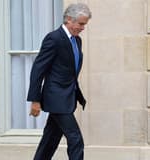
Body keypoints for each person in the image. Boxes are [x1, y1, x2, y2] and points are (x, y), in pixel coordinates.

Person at [27, 3, 92, 160]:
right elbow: (38, 69)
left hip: (67, 97)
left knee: (50, 140)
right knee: (75, 139)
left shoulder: (77, 41)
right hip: (56, 97)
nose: (83, 28)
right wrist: (35, 99)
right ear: (69, 19)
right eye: (81, 23)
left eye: (85, 24)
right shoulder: (54, 38)